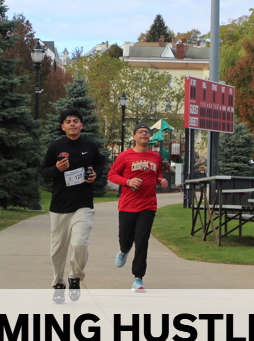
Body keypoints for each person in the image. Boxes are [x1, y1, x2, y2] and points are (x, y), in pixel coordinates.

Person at [40, 108, 104, 303]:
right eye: (68, 122)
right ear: (63, 127)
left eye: (76, 121)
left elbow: (100, 166)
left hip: (83, 204)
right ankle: (58, 283)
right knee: (57, 250)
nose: (72, 124)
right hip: (60, 206)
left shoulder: (90, 146)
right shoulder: (56, 146)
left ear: (81, 125)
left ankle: (75, 277)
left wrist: (95, 175)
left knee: (79, 243)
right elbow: (43, 172)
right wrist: (56, 169)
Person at [107, 123, 168, 292]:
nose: (144, 134)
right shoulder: (125, 156)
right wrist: (128, 181)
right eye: (140, 132)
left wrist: (161, 181)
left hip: (148, 205)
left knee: (142, 241)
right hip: (128, 205)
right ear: (134, 137)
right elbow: (112, 174)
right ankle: (124, 250)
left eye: (146, 132)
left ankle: (138, 278)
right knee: (125, 238)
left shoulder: (156, 157)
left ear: (149, 136)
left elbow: (157, 175)